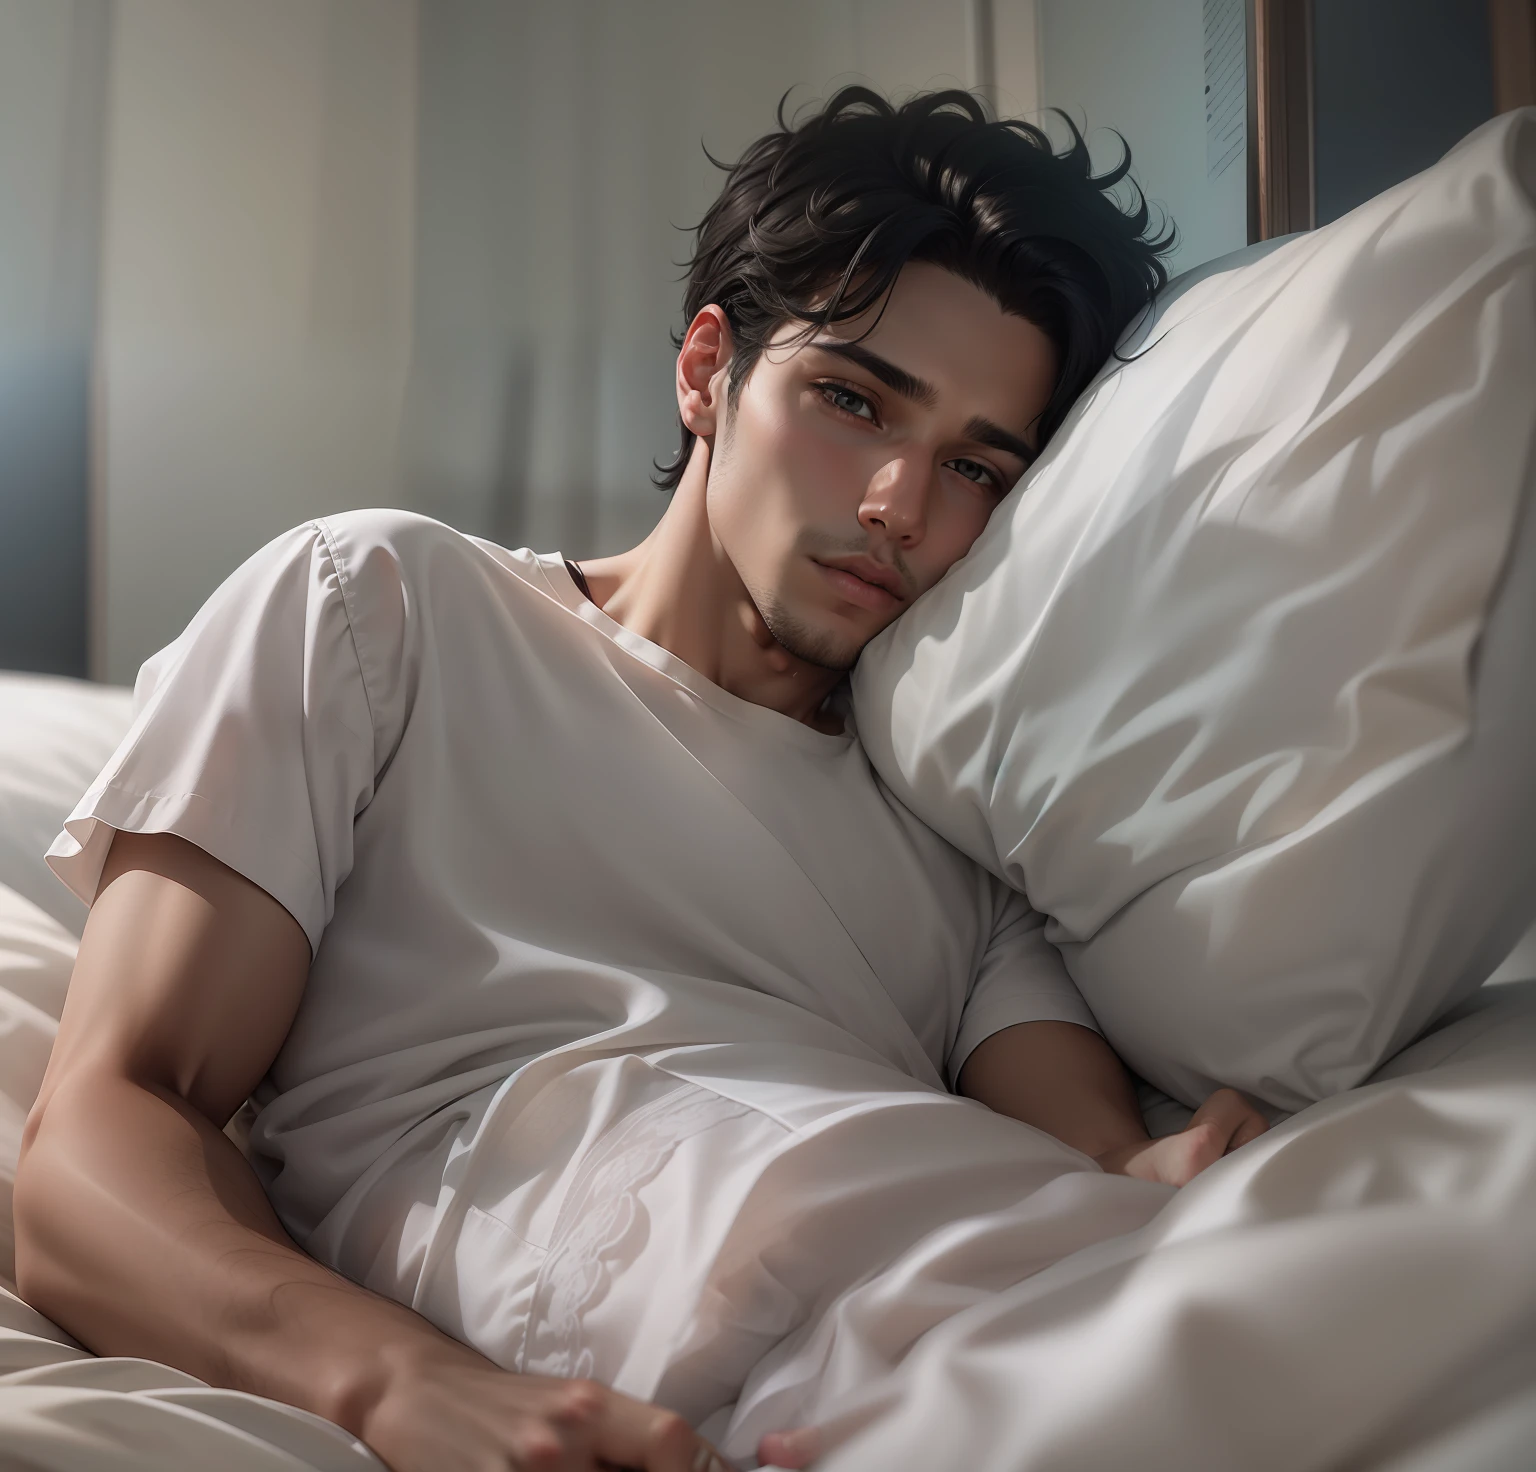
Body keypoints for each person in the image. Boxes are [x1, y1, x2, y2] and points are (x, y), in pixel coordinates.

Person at [15, 87, 1266, 1472]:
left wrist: (1165, 1171)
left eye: (976, 465)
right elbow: (98, 1138)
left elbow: (1089, 1165)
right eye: (853, 401)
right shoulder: (387, 611)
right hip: (685, 1337)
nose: (899, 508)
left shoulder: (956, 798)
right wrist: (391, 1387)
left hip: (1026, 1308)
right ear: (706, 368)